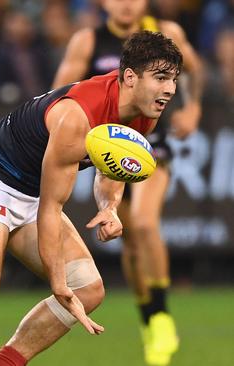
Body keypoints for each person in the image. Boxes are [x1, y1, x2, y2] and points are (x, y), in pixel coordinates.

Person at [0, 31, 183, 366]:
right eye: (160, 78)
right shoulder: (77, 117)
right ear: (130, 77)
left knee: (87, 290)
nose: (169, 89)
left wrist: (109, 206)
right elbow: (50, 207)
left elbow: (112, 168)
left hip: (28, 191)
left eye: (173, 79)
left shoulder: (145, 110)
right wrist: (57, 283)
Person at [52, 1, 204, 365]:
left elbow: (197, 72)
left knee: (146, 222)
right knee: (132, 238)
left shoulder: (167, 35)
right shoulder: (88, 41)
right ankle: (149, 317)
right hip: (108, 153)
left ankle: (163, 313)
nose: (126, 4)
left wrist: (193, 107)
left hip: (152, 143)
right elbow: (59, 95)